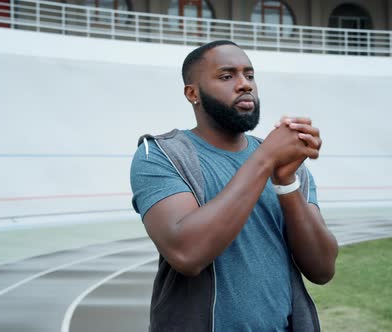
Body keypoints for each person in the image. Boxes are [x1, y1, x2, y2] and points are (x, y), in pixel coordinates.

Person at [130, 40, 338, 332]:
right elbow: (186, 253)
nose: (244, 85)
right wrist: (265, 159)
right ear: (193, 93)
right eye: (227, 76)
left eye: (249, 75)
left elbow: (322, 268)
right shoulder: (163, 155)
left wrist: (285, 182)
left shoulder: (286, 164)